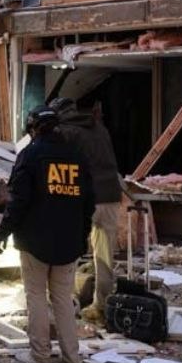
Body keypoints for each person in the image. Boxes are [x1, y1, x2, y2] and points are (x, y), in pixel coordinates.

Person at [0, 105, 95, 363]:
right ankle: (72, 356)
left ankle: (40, 354)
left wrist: (4, 230)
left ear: (33, 129)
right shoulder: (77, 156)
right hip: (69, 240)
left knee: (36, 296)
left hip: (34, 240)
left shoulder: (30, 155)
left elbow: (18, 200)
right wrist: (83, 234)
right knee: (63, 298)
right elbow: (89, 202)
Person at [52, 97, 122, 324]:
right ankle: (102, 306)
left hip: (86, 198)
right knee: (104, 256)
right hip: (111, 195)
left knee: (68, 252)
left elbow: (62, 168)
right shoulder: (98, 127)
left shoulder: (65, 132)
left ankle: (67, 303)